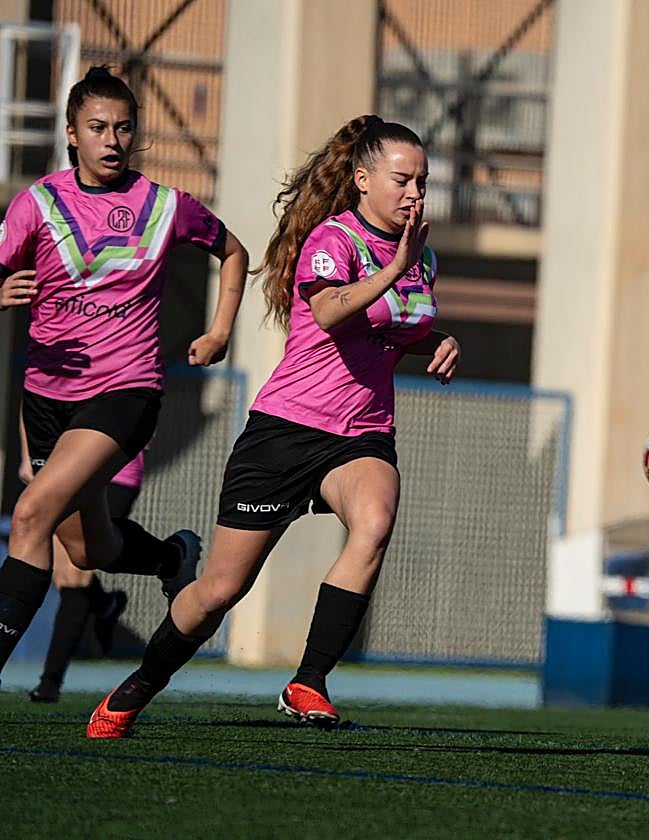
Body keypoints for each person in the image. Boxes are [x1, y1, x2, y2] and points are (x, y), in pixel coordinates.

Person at [86, 115, 461, 738]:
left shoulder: (422, 256)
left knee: (375, 522)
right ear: (363, 180)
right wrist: (397, 268)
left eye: (422, 180)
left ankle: (309, 681)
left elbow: (397, 332)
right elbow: (333, 311)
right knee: (219, 590)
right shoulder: (332, 241)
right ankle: (136, 688)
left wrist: (440, 341)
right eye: (403, 179)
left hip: (361, 432)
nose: (415, 193)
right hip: (285, 431)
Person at [0, 66, 248, 686]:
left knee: (30, 514)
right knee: (86, 548)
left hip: (124, 393)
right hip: (46, 396)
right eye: (97, 127)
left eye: (123, 128)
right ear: (71, 134)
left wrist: (219, 331)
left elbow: (235, 251)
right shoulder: (39, 203)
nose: (112, 139)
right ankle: (171, 556)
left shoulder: (164, 206)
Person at [17, 416, 141, 702]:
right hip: (62, 466)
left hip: (116, 470)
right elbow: (34, 393)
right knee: (67, 575)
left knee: (77, 572)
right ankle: (105, 604)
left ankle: (50, 682)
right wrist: (28, 455)